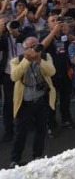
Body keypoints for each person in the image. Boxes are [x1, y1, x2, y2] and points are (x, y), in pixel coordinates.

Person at [9, 37, 55, 168]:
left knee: (41, 130)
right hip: (24, 102)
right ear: (24, 49)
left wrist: (39, 60)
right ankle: (15, 159)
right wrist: (27, 60)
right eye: (30, 47)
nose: (35, 49)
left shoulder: (46, 57)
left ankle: (37, 156)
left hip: (41, 100)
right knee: (20, 132)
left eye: (36, 46)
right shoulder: (16, 60)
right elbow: (14, 76)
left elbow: (52, 71)